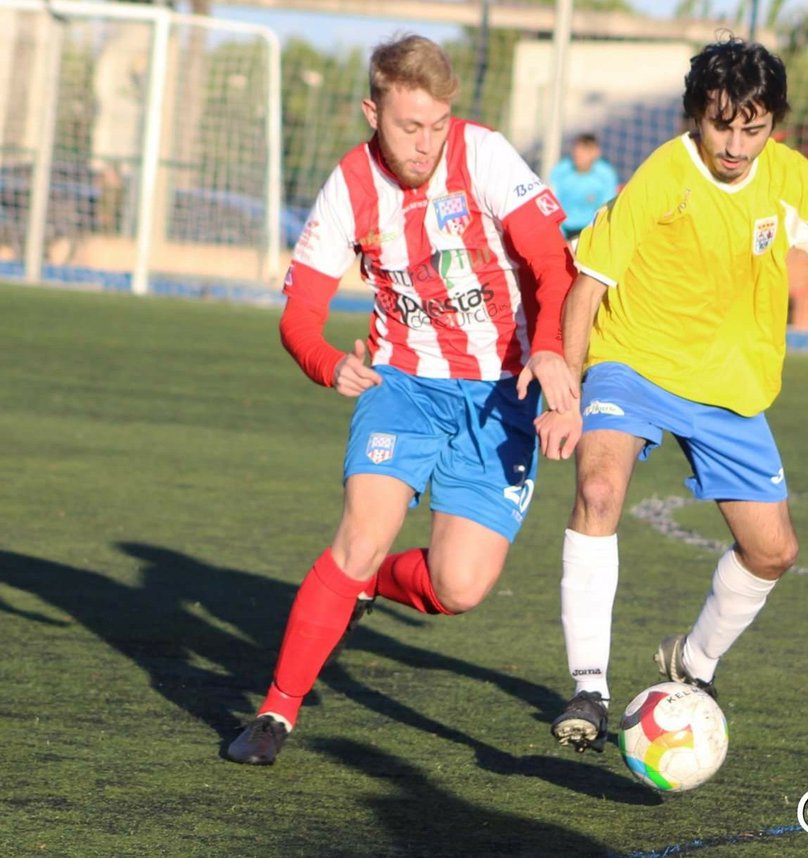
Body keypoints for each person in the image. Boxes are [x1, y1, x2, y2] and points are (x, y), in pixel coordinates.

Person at [537, 36, 808, 753]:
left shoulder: (790, 178)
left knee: (773, 551)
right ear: (694, 116)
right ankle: (590, 689)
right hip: (633, 362)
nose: (734, 145)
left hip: (730, 385)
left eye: (752, 128)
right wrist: (568, 396)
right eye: (720, 125)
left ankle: (693, 665)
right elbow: (588, 287)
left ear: (774, 123)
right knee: (600, 491)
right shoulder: (662, 175)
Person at [225, 34, 578, 765]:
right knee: (360, 534)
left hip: (501, 393)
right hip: (403, 385)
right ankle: (275, 713)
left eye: (436, 126)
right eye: (408, 126)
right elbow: (300, 316)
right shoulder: (350, 185)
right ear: (372, 112)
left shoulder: (483, 155)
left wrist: (548, 350)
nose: (425, 144)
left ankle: (370, 587)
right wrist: (328, 363)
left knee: (460, 586)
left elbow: (553, 262)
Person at [549, 133, 619, 243]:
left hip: (590, 230)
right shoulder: (560, 171)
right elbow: (551, 203)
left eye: (584, 152)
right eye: (577, 152)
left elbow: (607, 208)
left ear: (595, 153)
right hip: (562, 228)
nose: (579, 155)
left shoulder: (606, 175)